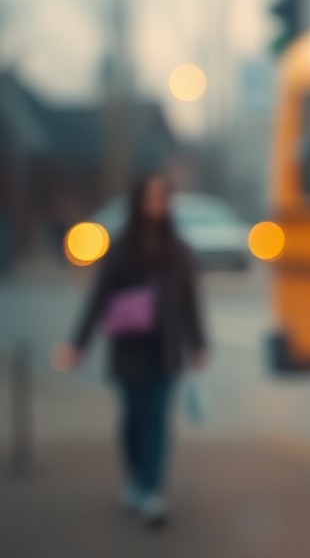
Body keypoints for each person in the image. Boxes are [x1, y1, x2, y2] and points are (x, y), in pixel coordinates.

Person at [52, 173, 208, 529]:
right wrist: (78, 345)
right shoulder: (123, 248)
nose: (157, 205)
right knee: (133, 420)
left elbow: (190, 301)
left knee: (157, 419)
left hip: (166, 348)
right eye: (151, 198)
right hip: (130, 349)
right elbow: (98, 299)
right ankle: (135, 479)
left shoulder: (178, 249)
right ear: (138, 203)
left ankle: (152, 491)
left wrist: (198, 344)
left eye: (163, 198)